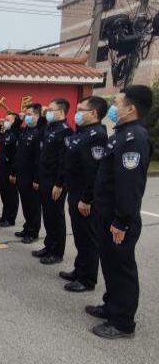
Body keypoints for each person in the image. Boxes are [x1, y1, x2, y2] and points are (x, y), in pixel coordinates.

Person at [86, 85, 153, 339]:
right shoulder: (121, 134)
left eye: (117, 103)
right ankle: (111, 306)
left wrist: (122, 221)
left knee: (122, 269)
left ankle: (123, 322)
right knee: (110, 264)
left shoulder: (134, 138)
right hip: (107, 213)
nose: (113, 108)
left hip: (119, 218)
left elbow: (129, 186)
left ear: (131, 109)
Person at [61, 96, 108, 293]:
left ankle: (87, 279)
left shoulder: (97, 135)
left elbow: (94, 170)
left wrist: (86, 199)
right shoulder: (83, 132)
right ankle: (79, 270)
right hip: (75, 190)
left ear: (93, 113)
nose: (77, 113)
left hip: (84, 194)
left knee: (87, 237)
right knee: (80, 235)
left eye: (81, 110)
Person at [32, 98, 73, 265]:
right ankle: (48, 246)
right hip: (45, 178)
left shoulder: (65, 131)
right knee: (48, 215)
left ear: (61, 112)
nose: (47, 112)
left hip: (55, 182)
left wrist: (59, 184)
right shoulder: (50, 127)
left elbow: (65, 161)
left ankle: (57, 252)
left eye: (50, 110)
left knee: (56, 216)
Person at [14, 104, 46, 244]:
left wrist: (37, 179)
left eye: (29, 114)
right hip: (22, 174)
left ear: (37, 115)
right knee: (26, 204)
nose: (26, 116)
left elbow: (39, 158)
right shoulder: (25, 130)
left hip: (32, 176)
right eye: (25, 114)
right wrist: (19, 119)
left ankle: (33, 232)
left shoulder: (39, 132)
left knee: (33, 206)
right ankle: (27, 228)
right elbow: (14, 130)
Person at [0, 112, 22, 227]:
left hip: (10, 170)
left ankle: (10, 219)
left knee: (11, 195)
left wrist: (14, 173)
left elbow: (17, 156)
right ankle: (4, 216)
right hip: (2, 168)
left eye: (8, 120)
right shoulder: (6, 133)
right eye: (5, 119)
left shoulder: (17, 133)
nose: (5, 121)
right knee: (4, 194)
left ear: (15, 122)